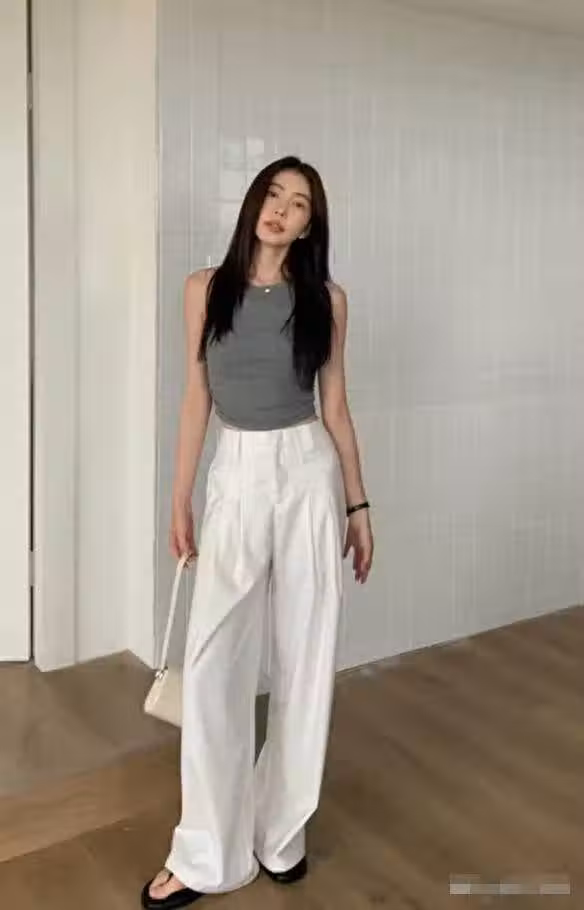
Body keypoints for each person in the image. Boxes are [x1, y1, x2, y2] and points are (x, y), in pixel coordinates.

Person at [141, 155, 374, 909]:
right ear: (253, 203)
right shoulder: (203, 289)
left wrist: (358, 506)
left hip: (307, 472)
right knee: (215, 661)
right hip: (236, 473)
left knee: (306, 656)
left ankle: (281, 832)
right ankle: (206, 853)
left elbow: (335, 407)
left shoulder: (327, 301)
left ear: (310, 225)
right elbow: (195, 397)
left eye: (298, 203)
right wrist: (180, 498)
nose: (281, 209)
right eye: (273, 194)